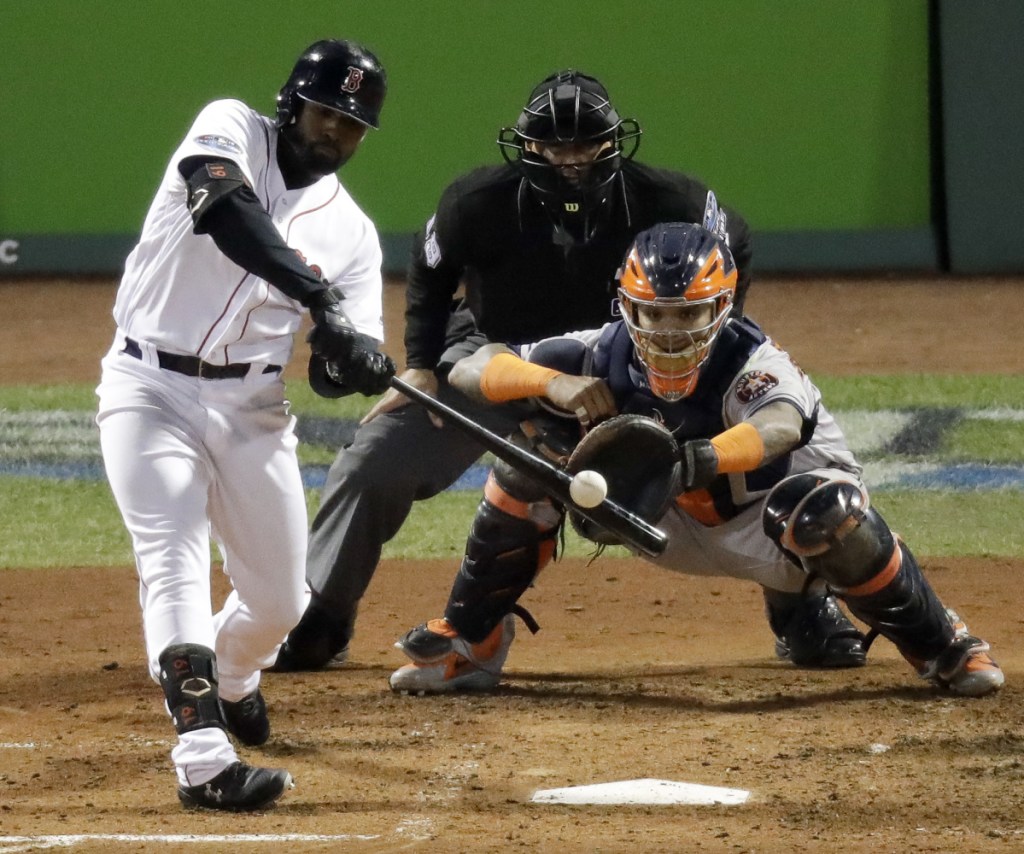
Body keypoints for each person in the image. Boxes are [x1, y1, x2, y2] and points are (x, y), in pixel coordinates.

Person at [272, 70, 865, 673]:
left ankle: (801, 607)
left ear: (614, 144)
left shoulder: (672, 201)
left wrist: (699, 362)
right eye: (554, 147)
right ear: (526, 147)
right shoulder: (475, 203)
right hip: (497, 360)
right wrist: (423, 364)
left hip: (628, 369)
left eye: (584, 145)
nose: (570, 161)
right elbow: (431, 268)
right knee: (377, 459)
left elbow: (730, 247)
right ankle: (322, 615)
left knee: (739, 461)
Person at [389, 221, 1004, 699]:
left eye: (688, 314)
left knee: (824, 512)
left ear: (722, 309)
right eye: (654, 314)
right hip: (666, 522)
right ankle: (469, 641)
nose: (670, 332)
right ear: (627, 307)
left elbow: (779, 426)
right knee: (527, 465)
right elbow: (467, 367)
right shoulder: (597, 352)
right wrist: (549, 384)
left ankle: (942, 645)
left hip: (775, 525)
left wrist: (697, 460)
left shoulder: (754, 362)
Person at [95, 39, 396, 811]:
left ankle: (232, 680)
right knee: (175, 556)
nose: (335, 133)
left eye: (352, 125)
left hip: (252, 412)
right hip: (148, 387)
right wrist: (317, 299)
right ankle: (200, 755)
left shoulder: (353, 235)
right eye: (326, 112)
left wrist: (346, 360)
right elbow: (228, 212)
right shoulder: (227, 127)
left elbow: (335, 364)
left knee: (280, 603)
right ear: (292, 102)